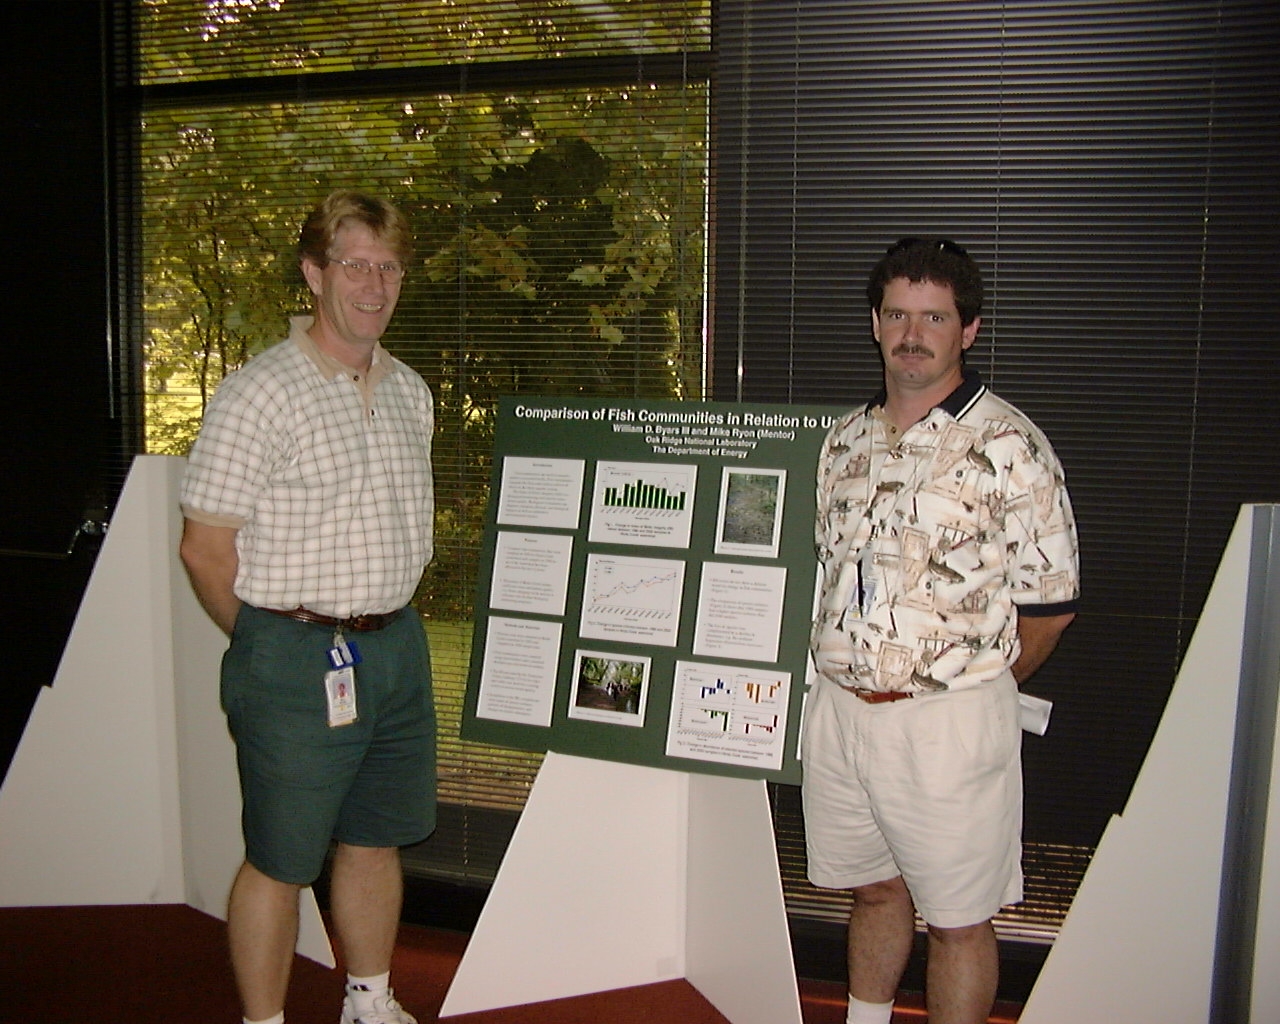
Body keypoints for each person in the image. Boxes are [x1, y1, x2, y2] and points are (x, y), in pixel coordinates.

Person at [804, 238, 1079, 1024]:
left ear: (969, 329)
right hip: (842, 714)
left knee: (959, 921)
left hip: (949, 725)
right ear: (875, 323)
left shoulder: (1010, 445)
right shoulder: (844, 440)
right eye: (897, 314)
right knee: (873, 891)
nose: (912, 333)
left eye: (934, 316)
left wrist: (967, 692)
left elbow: (1051, 605)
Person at [179, 190, 437, 1024]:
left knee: (374, 837)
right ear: (314, 272)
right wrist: (268, 642)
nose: (373, 283)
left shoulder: (410, 394)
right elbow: (204, 548)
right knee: (281, 860)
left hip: (394, 649)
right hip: (294, 655)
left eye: (388, 266)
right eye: (355, 264)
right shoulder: (262, 392)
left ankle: (368, 999)